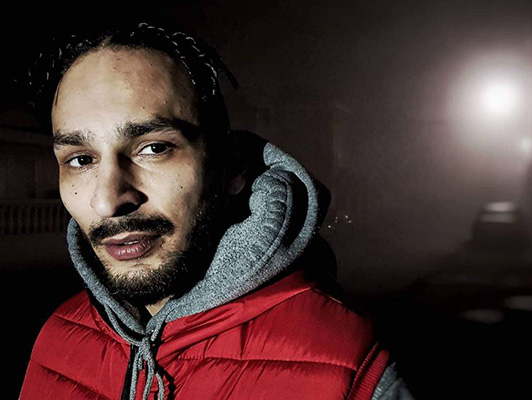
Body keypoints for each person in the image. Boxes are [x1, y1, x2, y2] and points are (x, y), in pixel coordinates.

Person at [19, 22, 412, 400]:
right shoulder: (57, 341)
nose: (108, 201)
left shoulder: (354, 373)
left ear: (231, 167)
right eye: (81, 159)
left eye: (154, 148)